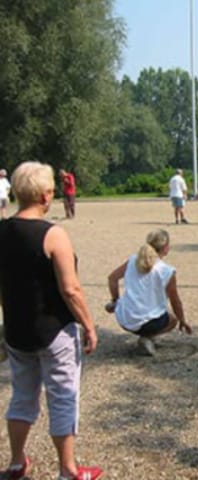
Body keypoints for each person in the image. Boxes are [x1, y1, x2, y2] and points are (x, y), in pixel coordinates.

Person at [0, 161, 102, 480]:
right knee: (62, 396)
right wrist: (89, 325)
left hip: (17, 331)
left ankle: (16, 462)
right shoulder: (53, 234)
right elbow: (70, 289)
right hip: (54, 330)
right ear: (46, 195)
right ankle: (68, 470)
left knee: (22, 396)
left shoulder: (1, 231)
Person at [106, 229, 192, 356]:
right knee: (172, 320)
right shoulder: (166, 270)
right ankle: (148, 338)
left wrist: (115, 300)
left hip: (124, 318)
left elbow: (112, 278)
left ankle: (145, 335)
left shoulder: (133, 260)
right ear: (166, 247)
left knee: (144, 315)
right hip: (148, 322)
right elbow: (175, 301)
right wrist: (182, 320)